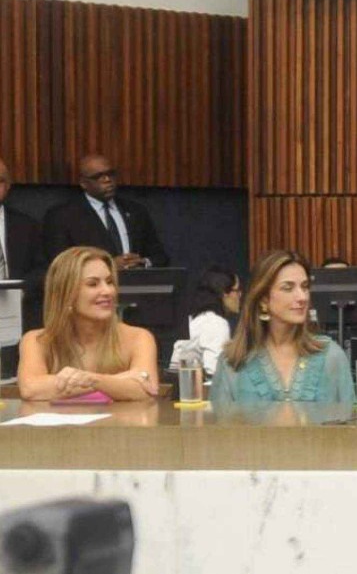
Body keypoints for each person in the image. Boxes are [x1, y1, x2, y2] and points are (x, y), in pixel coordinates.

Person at [17, 247, 158, 401]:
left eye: (109, 282)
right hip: (62, 425)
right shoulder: (37, 340)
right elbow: (31, 389)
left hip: (119, 425)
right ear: (67, 294)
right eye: (93, 284)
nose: (107, 291)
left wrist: (94, 380)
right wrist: (119, 380)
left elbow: (146, 390)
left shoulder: (138, 337)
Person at [210, 251, 352, 403]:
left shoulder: (331, 356)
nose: (302, 297)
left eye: (304, 287)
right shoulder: (232, 362)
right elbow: (219, 425)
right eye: (288, 288)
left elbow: (352, 423)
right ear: (263, 299)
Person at [43, 154, 170, 269]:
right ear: (83, 183)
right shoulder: (62, 216)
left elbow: (160, 257)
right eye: (98, 176)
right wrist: (108, 265)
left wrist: (143, 262)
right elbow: (60, 263)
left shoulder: (136, 211)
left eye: (111, 174)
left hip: (137, 287)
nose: (107, 180)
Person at [168, 267, 242, 375]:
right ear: (224, 293)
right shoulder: (215, 324)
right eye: (237, 290)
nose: (240, 295)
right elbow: (215, 374)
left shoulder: (195, 319)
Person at [0, 158, 46, 281]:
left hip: (18, 296)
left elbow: (40, 269)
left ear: (8, 185)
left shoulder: (28, 225)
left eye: (0, 181)